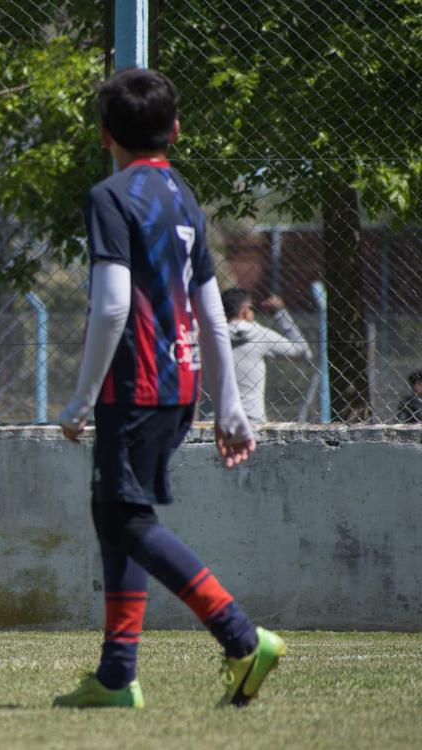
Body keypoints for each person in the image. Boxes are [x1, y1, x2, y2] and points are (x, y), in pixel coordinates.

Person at [55, 68, 285, 709]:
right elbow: (212, 313)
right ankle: (115, 675)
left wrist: (79, 398)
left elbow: (110, 308)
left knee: (123, 516)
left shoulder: (111, 196)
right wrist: (230, 407)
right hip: (181, 384)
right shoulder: (183, 194)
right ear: (175, 130)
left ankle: (241, 638)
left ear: (105, 135)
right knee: (120, 518)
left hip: (134, 384)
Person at [222, 287, 311, 423]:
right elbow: (303, 351)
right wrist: (280, 313)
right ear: (245, 310)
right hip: (252, 419)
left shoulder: (212, 336)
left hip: (219, 418)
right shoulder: (260, 334)